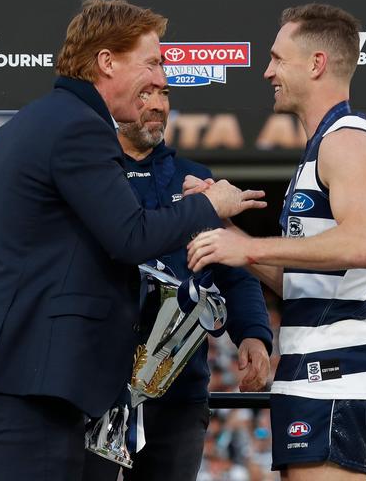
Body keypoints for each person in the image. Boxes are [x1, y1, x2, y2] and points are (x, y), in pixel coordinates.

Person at [0, 0, 265, 481]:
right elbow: (130, 235)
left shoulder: (27, 123)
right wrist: (211, 207)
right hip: (26, 376)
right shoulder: (81, 129)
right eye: (153, 61)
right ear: (107, 61)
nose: (163, 78)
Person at [187, 3, 366, 481]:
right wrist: (224, 231)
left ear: (316, 64)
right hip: (312, 364)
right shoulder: (323, 145)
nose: (267, 71)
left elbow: (363, 244)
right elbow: (307, 279)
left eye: (278, 58)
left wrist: (251, 249)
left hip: (335, 368)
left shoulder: (346, 141)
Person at [84, 84, 274, 481]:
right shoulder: (90, 177)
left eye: (164, 95)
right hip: (92, 389)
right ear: (113, 100)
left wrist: (253, 335)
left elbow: (234, 268)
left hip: (178, 394)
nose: (158, 106)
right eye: (144, 96)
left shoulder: (197, 180)